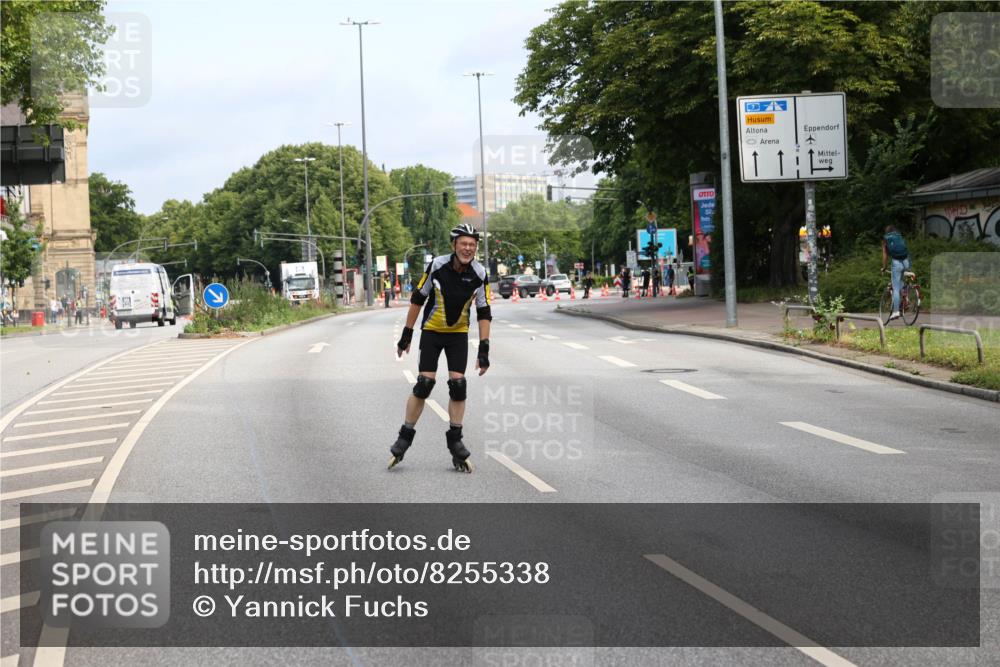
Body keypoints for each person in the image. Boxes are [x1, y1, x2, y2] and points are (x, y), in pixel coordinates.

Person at [389, 223, 492, 473]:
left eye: (472, 244)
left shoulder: (479, 273)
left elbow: (484, 310)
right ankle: (405, 435)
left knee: (458, 386)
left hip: (458, 335)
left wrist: (484, 349)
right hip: (432, 333)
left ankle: (455, 441)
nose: (468, 248)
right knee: (424, 383)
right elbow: (418, 297)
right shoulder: (437, 265)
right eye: (463, 243)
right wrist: (407, 333)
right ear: (454, 245)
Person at [881, 225, 911, 320]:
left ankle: (896, 312)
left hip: (896, 263)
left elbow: (885, 255)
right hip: (906, 262)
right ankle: (906, 297)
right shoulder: (899, 236)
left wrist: (884, 267)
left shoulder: (886, 239)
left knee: (895, 288)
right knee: (901, 281)